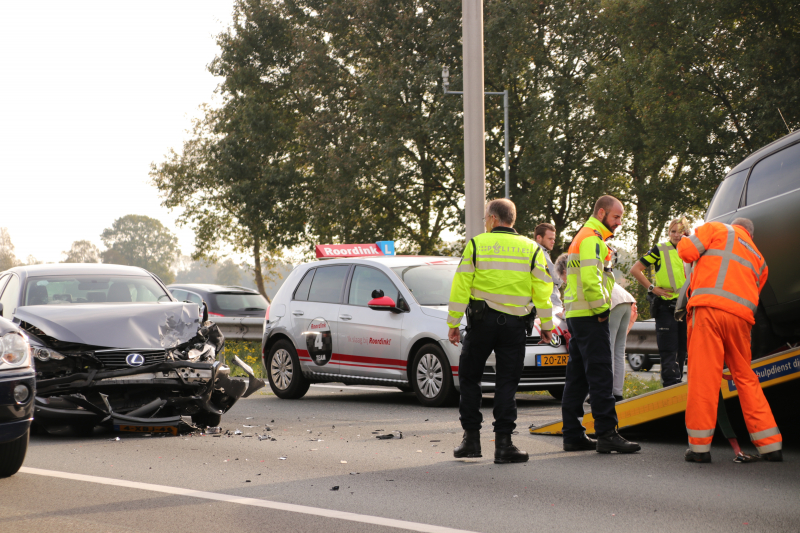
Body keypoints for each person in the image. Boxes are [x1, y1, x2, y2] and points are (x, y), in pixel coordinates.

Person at [447, 199, 554, 464]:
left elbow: (461, 284)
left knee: (470, 378)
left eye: (486, 217)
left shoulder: (477, 244)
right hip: (515, 326)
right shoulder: (532, 248)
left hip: (481, 323)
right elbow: (543, 290)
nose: (485, 222)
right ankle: (504, 445)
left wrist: (453, 323)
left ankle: (471, 441)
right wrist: (547, 326)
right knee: (507, 382)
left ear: (494, 218)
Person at [677, 218, 782, 463]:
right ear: (750, 235)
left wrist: (684, 238)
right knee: (745, 377)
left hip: (708, 311)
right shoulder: (759, 259)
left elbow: (687, 252)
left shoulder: (717, 228)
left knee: (704, 378)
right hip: (741, 321)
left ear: (734, 225)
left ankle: (700, 449)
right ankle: (771, 446)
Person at [561, 195, 640, 454]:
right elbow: (590, 279)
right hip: (590, 315)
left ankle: (573, 435)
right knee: (601, 374)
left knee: (578, 377)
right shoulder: (592, 239)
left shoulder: (586, 237)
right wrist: (602, 310)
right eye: (616, 217)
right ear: (602, 213)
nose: (619, 222)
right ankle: (607, 433)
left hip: (578, 314)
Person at [630, 218, 690, 386]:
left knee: (683, 350)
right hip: (666, 307)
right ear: (668, 233)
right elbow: (635, 269)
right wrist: (652, 288)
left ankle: (679, 386)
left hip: (686, 306)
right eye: (673, 231)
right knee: (669, 350)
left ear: (687, 232)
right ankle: (670, 387)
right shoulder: (660, 249)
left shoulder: (692, 249)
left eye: (680, 231)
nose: (677, 235)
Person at [609, 282, 637, 401]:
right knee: (619, 351)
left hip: (613, 302)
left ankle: (606, 392)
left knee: (608, 350)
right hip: (626, 301)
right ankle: (617, 392)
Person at [534, 223, 563, 308]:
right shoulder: (540, 253)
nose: (553, 241)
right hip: (551, 303)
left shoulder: (533, 251)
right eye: (550, 239)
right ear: (539, 238)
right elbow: (557, 278)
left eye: (553, 239)